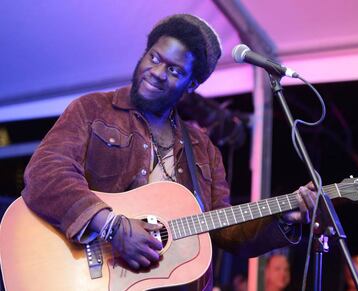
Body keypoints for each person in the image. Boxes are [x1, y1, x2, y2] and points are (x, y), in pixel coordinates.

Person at [21, 14, 317, 290]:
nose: (158, 72)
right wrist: (111, 226)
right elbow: (46, 173)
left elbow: (224, 228)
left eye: (174, 70)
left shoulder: (203, 148)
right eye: (155, 58)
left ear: (192, 85)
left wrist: (283, 216)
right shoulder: (93, 110)